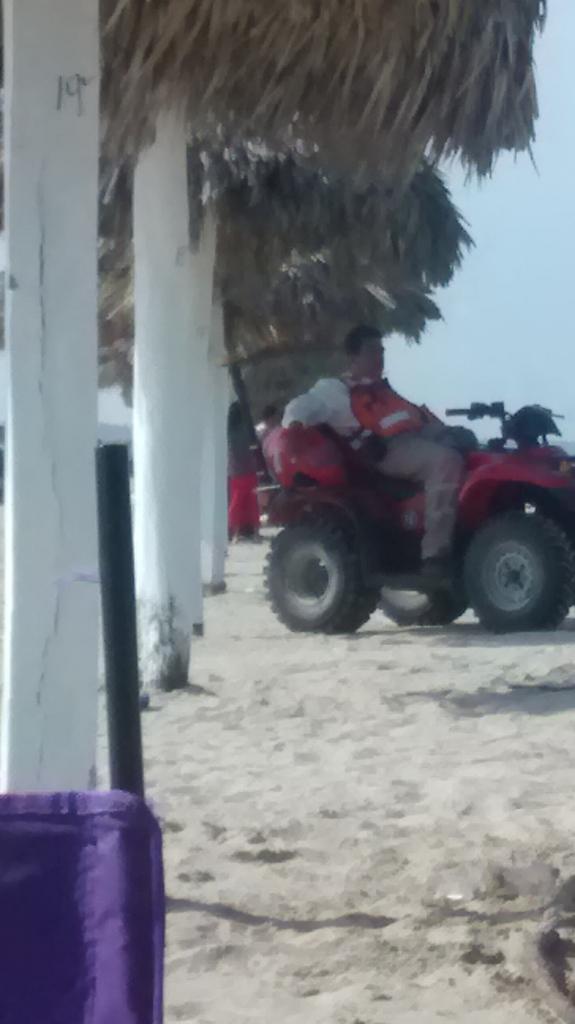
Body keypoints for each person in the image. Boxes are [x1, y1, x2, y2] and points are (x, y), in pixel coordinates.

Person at [282, 325, 465, 578]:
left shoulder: (382, 389)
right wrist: (294, 423)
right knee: (445, 461)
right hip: (387, 450)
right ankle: (435, 555)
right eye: (372, 351)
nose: (379, 357)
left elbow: (416, 416)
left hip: (417, 438)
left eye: (381, 351)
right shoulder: (335, 390)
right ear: (353, 357)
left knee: (473, 449)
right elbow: (301, 405)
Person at [227, 401, 260, 542]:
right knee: (252, 502)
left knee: (237, 502)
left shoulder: (228, 432)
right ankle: (255, 532)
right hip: (250, 468)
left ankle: (235, 532)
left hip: (235, 470)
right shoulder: (248, 430)